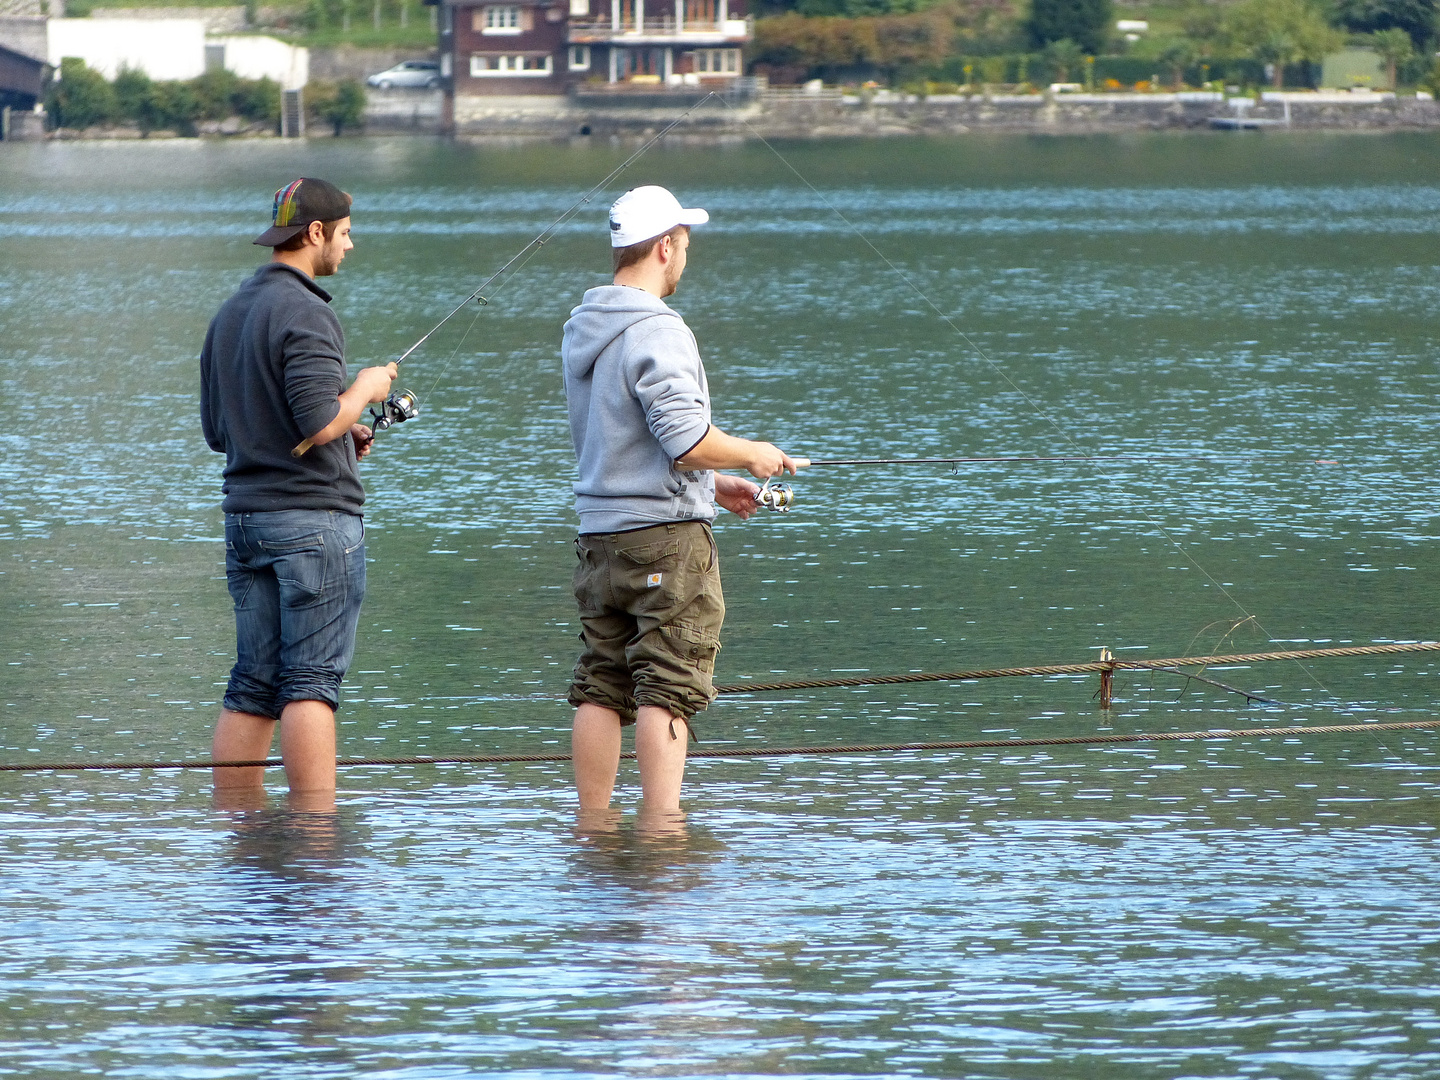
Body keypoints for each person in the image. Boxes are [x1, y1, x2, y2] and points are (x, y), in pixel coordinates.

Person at [561, 185, 801, 814]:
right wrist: (752, 453)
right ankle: (662, 833)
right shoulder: (659, 330)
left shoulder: (585, 325)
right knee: (667, 682)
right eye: (685, 245)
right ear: (664, 247)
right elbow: (686, 438)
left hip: (599, 535)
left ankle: (593, 826)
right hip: (665, 538)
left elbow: (624, 437)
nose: (685, 258)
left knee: (602, 681)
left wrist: (713, 484)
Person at [200, 177, 397, 805]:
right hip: (313, 526)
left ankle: (242, 835)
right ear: (315, 233)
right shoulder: (309, 311)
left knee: (252, 685)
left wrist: (345, 433)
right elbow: (316, 421)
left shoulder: (232, 311)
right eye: (344, 232)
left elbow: (218, 431)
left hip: (246, 521)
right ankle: (313, 848)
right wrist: (364, 388)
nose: (349, 244)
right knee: (310, 684)